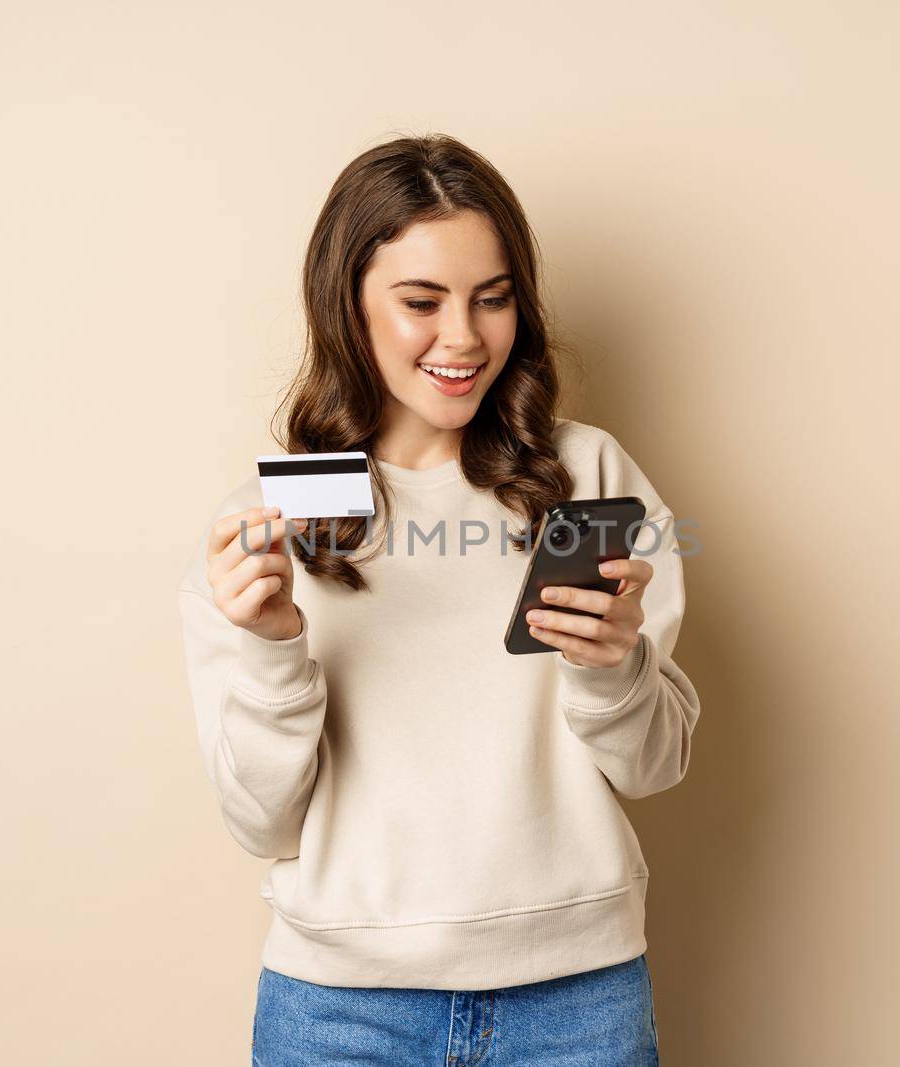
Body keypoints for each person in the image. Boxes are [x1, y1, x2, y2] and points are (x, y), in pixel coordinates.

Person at [177, 133, 700, 1065]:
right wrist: (272, 647)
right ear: (349, 307)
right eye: (421, 301)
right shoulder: (268, 524)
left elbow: (655, 766)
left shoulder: (587, 476)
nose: (462, 338)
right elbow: (258, 821)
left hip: (577, 999)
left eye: (492, 299)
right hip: (339, 1013)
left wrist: (615, 665)